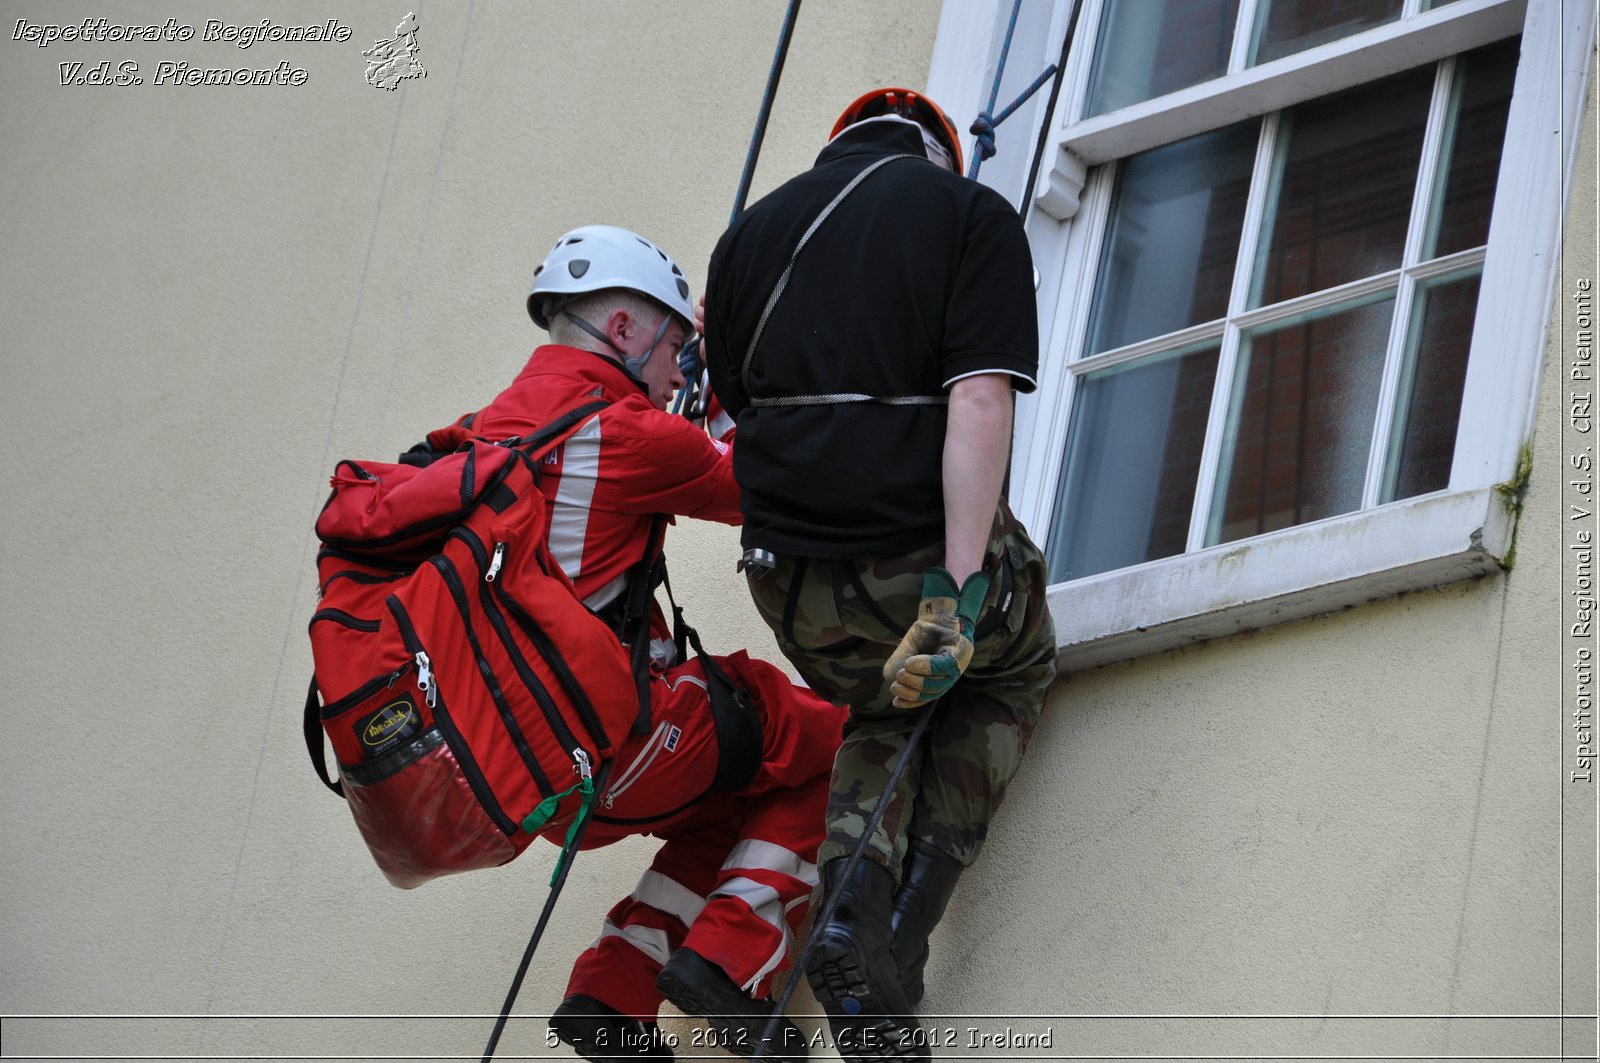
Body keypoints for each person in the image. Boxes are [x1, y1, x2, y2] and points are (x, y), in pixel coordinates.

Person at [421, 224, 844, 1062]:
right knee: (837, 741)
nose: (676, 369)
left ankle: (612, 990)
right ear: (623, 330)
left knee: (733, 804)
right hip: (620, 743)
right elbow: (775, 488)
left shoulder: (478, 435)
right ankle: (731, 962)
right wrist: (731, 389)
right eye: (675, 345)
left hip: (523, 771)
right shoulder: (623, 431)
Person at [702, 90, 1058, 1059]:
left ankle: (849, 919)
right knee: (1009, 663)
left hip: (791, 590)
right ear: (941, 153)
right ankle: (893, 936)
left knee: (886, 697)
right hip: (908, 564)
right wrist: (956, 589)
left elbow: (735, 421)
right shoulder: (966, 215)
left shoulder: (744, 244)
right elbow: (979, 399)